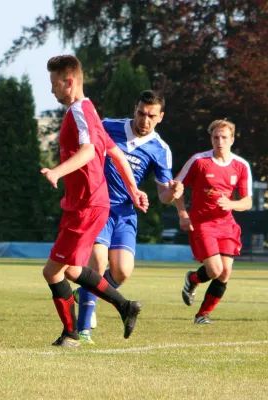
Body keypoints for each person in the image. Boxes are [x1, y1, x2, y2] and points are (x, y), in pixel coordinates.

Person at [41, 55, 148, 347]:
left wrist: (57, 171)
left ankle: (71, 334)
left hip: (86, 205)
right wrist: (134, 189)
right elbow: (114, 153)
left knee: (52, 272)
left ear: (69, 82)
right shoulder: (90, 112)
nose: (51, 90)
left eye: (54, 84)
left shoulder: (79, 111)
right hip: (85, 204)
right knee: (73, 270)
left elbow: (89, 151)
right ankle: (126, 306)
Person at [74, 90, 183, 344]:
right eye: (141, 113)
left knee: (122, 272)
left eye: (151, 116)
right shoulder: (109, 126)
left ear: (160, 117)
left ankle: (85, 290)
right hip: (98, 206)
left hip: (125, 212)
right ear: (135, 109)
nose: (145, 120)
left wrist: (173, 191)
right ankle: (83, 332)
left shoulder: (160, 150)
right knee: (97, 264)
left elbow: (164, 196)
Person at [175, 119, 253, 325]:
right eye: (216, 137)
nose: (220, 142)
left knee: (225, 272)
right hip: (203, 223)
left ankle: (202, 315)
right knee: (215, 270)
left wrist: (231, 204)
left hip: (227, 224)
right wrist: (183, 214)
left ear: (232, 139)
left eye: (224, 137)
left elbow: (247, 202)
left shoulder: (241, 166)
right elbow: (176, 187)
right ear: (211, 138)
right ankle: (192, 280)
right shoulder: (199, 161)